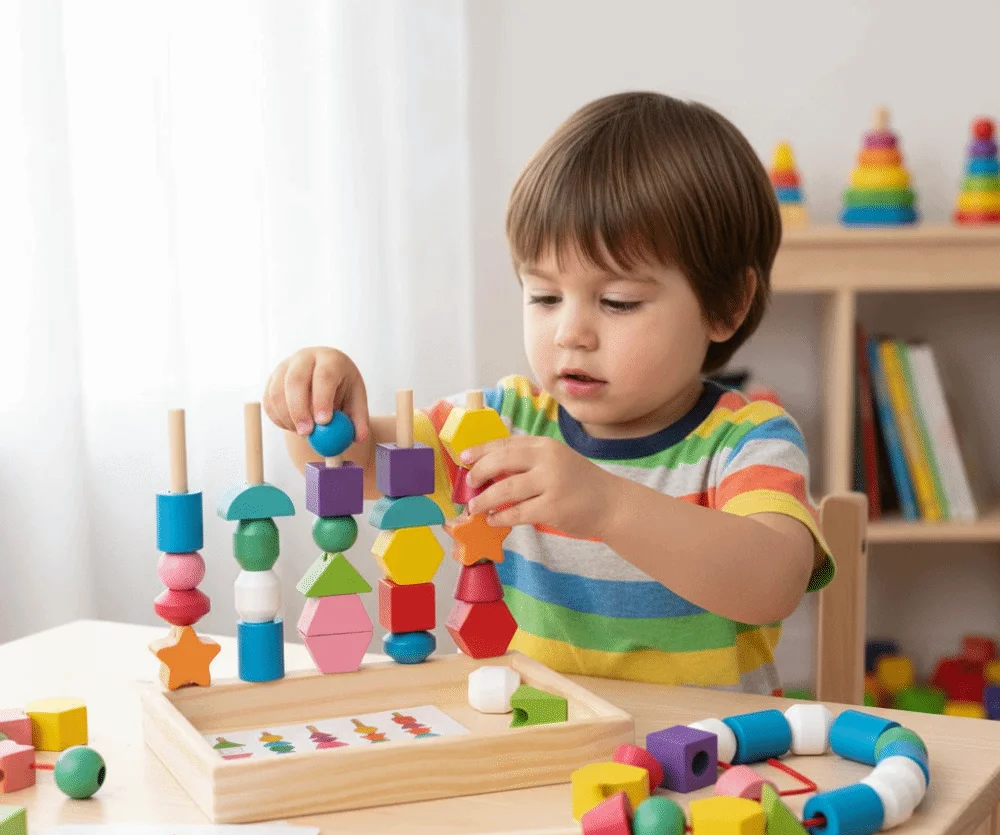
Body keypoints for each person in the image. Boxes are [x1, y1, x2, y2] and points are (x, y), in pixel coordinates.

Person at [264, 91, 833, 695]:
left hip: (710, 760)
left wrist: (607, 506)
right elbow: (350, 470)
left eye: (618, 302)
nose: (571, 334)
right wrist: (319, 403)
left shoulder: (748, 441)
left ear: (727, 305)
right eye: (543, 296)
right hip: (542, 749)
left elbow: (774, 582)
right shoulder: (494, 424)